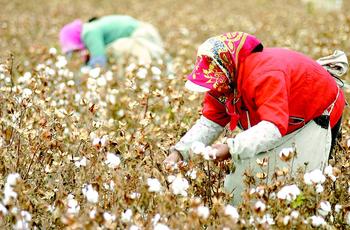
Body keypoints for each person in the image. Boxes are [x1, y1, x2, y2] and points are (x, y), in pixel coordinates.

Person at [164, 32, 347, 204]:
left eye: (214, 83)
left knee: (297, 190)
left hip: (315, 115)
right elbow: (210, 122)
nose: (213, 89)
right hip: (282, 119)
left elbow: (273, 127)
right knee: (240, 189)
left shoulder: (264, 74)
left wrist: (230, 148)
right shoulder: (225, 81)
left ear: (228, 68)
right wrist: (179, 153)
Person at [59, 15, 165, 68]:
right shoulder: (91, 28)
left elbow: (99, 60)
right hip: (143, 31)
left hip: (142, 34)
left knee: (115, 53)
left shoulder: (88, 32)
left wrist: (85, 71)